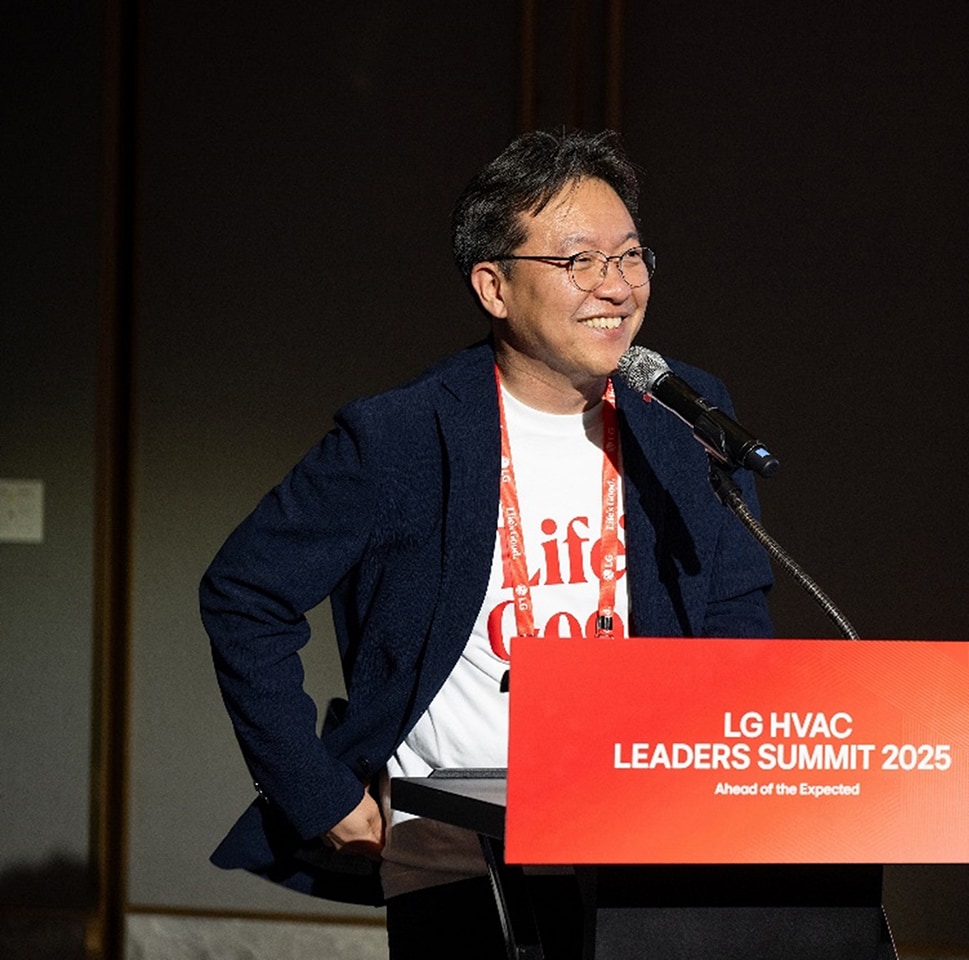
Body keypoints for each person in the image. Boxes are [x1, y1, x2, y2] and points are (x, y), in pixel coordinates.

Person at [200, 128, 774, 956]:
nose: (616, 288)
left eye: (631, 257)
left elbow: (733, 607)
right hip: (458, 845)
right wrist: (314, 791)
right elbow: (244, 593)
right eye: (580, 262)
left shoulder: (683, 413)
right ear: (493, 286)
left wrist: (734, 782)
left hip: (647, 829)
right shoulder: (402, 435)